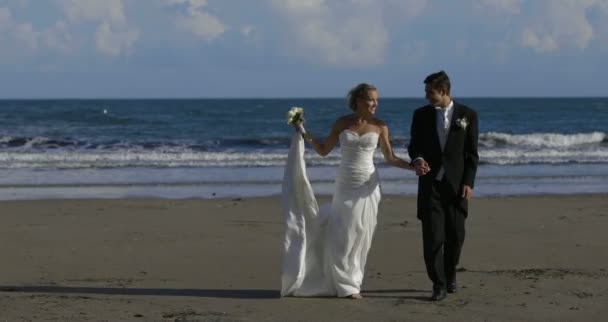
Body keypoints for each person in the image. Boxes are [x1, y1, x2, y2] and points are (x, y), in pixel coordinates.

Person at [281, 83, 414, 299]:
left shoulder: (381, 126)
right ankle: (342, 282)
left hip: (368, 186)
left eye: (377, 100)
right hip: (345, 184)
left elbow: (390, 158)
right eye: (371, 99)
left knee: (362, 235)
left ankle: (352, 283)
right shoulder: (342, 123)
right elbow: (323, 151)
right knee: (343, 234)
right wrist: (303, 132)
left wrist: (412, 167)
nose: (375, 104)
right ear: (359, 100)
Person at [408, 71, 479, 301]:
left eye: (430, 92)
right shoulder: (420, 115)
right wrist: (417, 159)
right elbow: (414, 146)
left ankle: (450, 274)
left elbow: (471, 154)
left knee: (456, 236)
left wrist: (468, 182)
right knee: (433, 237)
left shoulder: (468, 115)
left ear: (444, 91)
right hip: (430, 186)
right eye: (426, 91)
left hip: (457, 186)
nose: (426, 96)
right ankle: (438, 284)